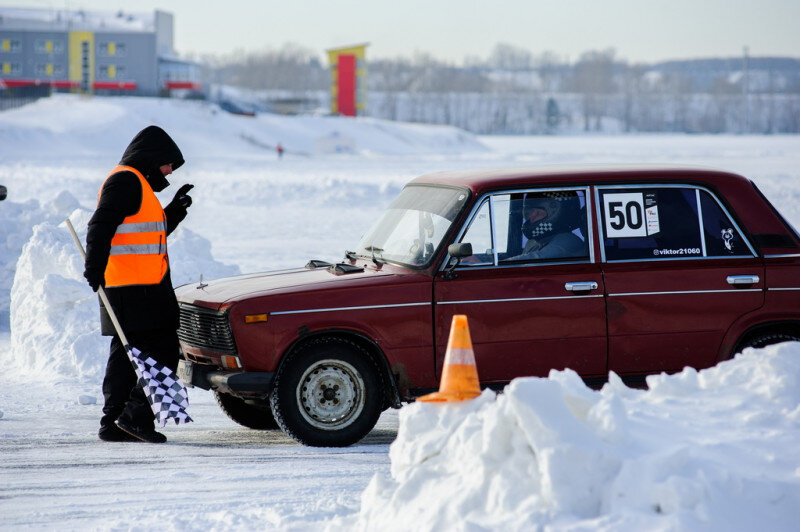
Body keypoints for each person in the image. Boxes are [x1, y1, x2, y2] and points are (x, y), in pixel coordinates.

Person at [83, 125, 194, 443]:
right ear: (152, 157)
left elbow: (141, 237)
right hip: (139, 289)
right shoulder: (126, 181)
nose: (170, 170)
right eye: (168, 163)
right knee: (163, 351)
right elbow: (100, 224)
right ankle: (135, 418)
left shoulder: (136, 184)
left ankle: (113, 422)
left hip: (130, 286)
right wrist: (93, 267)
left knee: (124, 356)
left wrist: (174, 211)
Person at [506, 195, 586, 261]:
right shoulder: (533, 243)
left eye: (538, 213)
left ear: (558, 214)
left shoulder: (569, 241)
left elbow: (535, 259)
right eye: (529, 212)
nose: (531, 218)